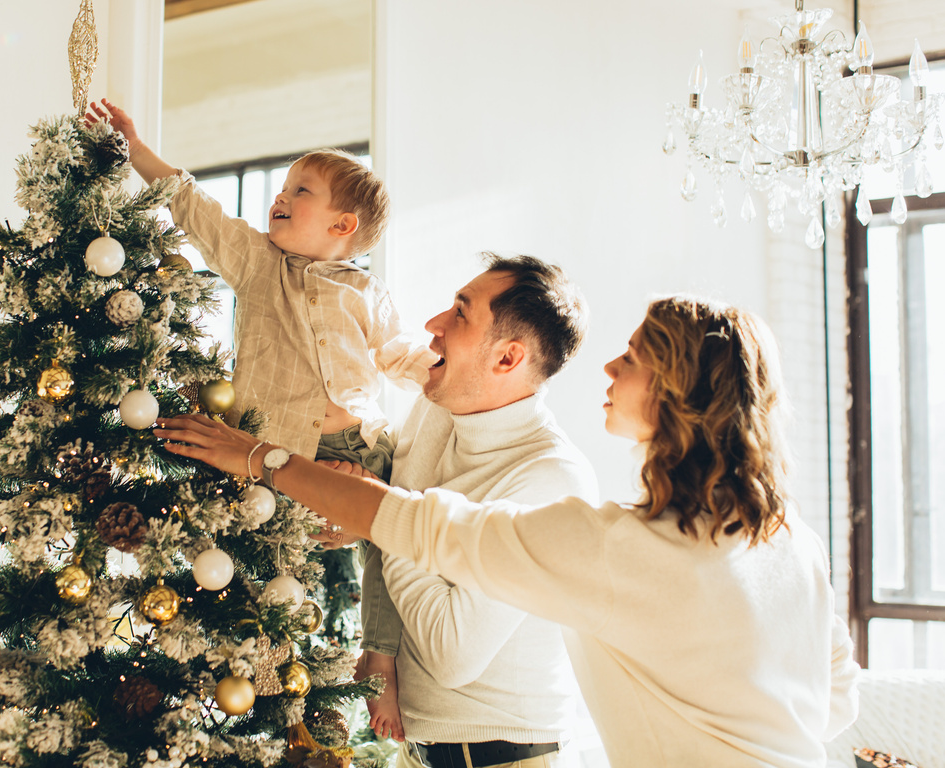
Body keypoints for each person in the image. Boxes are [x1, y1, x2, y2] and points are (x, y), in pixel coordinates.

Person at [154, 295, 861, 768]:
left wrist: (256, 458)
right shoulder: (792, 541)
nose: (609, 366)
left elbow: (404, 520)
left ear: (675, 393)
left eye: (633, 356)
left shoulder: (619, 549)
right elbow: (835, 704)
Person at [84, 99, 436, 726]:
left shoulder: (365, 290)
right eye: (283, 187)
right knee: (270, 558)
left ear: (342, 225)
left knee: (393, 540)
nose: (281, 196)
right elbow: (193, 205)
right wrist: (135, 148)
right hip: (278, 450)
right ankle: (268, 674)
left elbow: (399, 354)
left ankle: (380, 656)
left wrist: (445, 371)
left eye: (301, 190)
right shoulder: (256, 263)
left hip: (359, 444)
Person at [324, 254, 599, 759]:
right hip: (420, 747)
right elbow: (398, 527)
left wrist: (380, 516)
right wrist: (360, 515)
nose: (434, 325)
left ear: (507, 359)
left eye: (460, 313)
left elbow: (452, 654)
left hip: (506, 755)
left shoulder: (550, 480)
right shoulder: (436, 411)